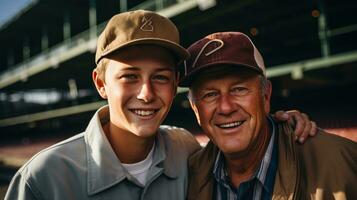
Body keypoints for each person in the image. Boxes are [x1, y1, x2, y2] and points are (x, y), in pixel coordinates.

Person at [5, 11, 315, 200]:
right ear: (101, 84)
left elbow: (250, 139)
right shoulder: (43, 178)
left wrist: (280, 124)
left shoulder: (187, 150)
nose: (146, 93)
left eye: (161, 77)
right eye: (129, 76)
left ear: (175, 83)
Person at [180, 32, 357, 200]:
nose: (225, 108)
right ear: (196, 109)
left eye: (239, 89)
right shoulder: (188, 175)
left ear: (265, 96)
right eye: (210, 94)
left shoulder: (342, 163)